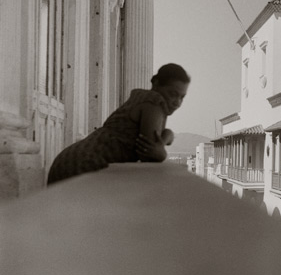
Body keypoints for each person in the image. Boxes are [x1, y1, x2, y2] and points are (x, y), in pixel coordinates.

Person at [47, 63, 190, 185]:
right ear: (157, 84)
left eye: (182, 97)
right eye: (172, 93)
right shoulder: (154, 102)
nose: (177, 102)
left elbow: (154, 143)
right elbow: (151, 154)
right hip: (84, 166)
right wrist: (163, 151)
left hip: (71, 161)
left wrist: (167, 136)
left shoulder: (142, 99)